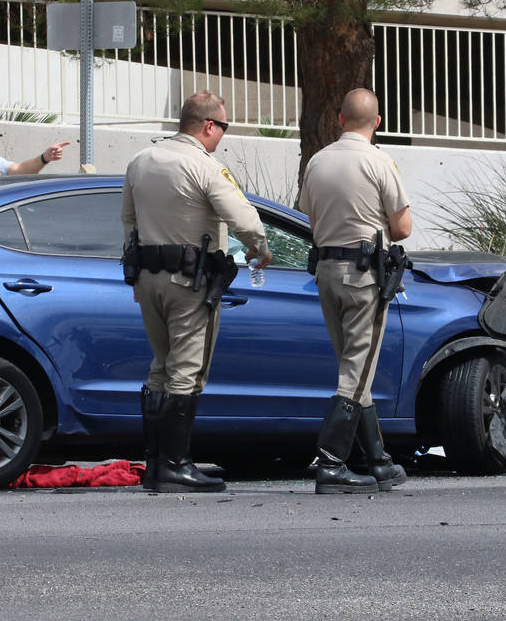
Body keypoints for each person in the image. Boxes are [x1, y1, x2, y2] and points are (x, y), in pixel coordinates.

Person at [122, 91, 272, 493]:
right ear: (208, 126)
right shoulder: (204, 165)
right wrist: (259, 248)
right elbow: (244, 218)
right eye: (222, 127)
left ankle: (154, 464)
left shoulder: (141, 160)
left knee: (160, 366)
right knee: (187, 370)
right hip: (189, 283)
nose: (222, 135)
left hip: (148, 278)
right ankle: (176, 465)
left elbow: (128, 220)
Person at [298, 87, 412, 495]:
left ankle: (378, 462)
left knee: (353, 366)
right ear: (376, 123)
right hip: (363, 275)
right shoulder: (380, 161)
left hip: (326, 271)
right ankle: (331, 464)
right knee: (356, 370)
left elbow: (310, 220)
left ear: (340, 119)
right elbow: (401, 229)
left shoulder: (318, 161)